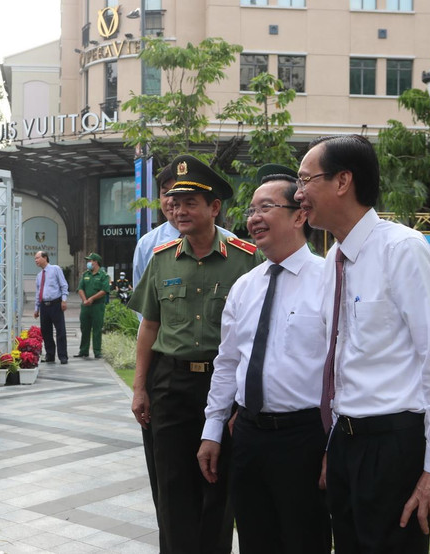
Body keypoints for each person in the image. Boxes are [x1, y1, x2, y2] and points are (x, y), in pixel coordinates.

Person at [294, 135, 430, 552]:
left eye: (305, 180)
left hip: (392, 447)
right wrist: (334, 444)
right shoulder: (333, 261)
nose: (298, 193)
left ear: (343, 181)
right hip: (346, 443)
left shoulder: (403, 249)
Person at [129, 154, 263, 554]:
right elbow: (149, 327)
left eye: (190, 203)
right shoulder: (161, 259)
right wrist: (139, 388)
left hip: (225, 387)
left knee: (218, 486)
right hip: (171, 384)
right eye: (174, 203)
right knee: (172, 489)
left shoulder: (246, 258)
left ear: (214, 207)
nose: (179, 210)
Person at [197, 168, 331, 553]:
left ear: (299, 215)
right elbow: (227, 363)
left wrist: (334, 446)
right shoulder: (245, 286)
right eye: (251, 210)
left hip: (305, 438)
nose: (253, 218)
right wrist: (212, 430)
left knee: (305, 541)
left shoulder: (329, 280)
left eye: (266, 207)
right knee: (255, 540)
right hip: (248, 435)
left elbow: (343, 369)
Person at [132, 164, 235, 287]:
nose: (171, 201)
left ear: (214, 207)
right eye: (166, 193)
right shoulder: (147, 245)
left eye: (188, 201)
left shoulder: (230, 245)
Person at [33, 250, 69, 364]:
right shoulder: (39, 276)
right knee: (46, 331)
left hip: (56, 304)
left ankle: (63, 356)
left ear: (45, 258)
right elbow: (38, 292)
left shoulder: (55, 269)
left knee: (60, 330)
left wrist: (64, 300)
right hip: (44, 305)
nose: (36, 261)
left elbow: (63, 285)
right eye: (35, 259)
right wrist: (36, 308)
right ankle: (50, 354)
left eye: (37, 258)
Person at [75, 253, 109, 359]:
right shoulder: (86, 274)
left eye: (90, 261)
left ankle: (97, 351)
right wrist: (85, 300)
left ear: (96, 262)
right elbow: (80, 288)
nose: (88, 263)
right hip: (86, 306)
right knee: (84, 328)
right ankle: (83, 350)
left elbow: (104, 290)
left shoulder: (103, 275)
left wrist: (92, 299)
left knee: (97, 329)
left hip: (97, 306)